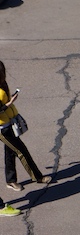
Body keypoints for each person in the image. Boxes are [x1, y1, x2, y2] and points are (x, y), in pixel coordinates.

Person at [0, 62, 52, 192]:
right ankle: (37, 177)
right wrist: (10, 103)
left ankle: (11, 181)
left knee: (10, 152)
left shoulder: (3, 84)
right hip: (1, 128)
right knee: (21, 151)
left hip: (9, 123)